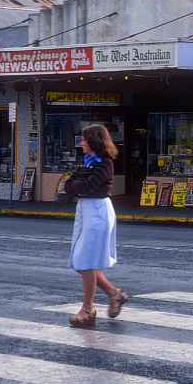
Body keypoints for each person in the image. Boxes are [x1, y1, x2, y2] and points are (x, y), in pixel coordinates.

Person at [64, 124, 129, 328]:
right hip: (86, 210)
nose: (81, 143)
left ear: (93, 141)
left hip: (98, 212)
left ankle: (88, 309)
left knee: (85, 260)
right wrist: (77, 183)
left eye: (83, 139)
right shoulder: (88, 162)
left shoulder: (104, 163)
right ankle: (114, 294)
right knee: (83, 260)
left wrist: (77, 183)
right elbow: (69, 186)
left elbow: (87, 187)